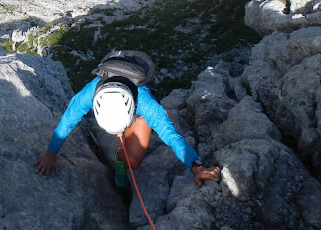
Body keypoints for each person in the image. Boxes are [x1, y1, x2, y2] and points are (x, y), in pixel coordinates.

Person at [33, 66, 221, 188]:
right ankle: (121, 159)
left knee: (135, 161)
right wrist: (50, 155)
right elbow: (67, 122)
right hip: (121, 103)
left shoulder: (146, 104)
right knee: (131, 155)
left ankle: (122, 159)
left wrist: (196, 167)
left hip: (136, 109)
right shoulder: (88, 94)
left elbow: (171, 136)